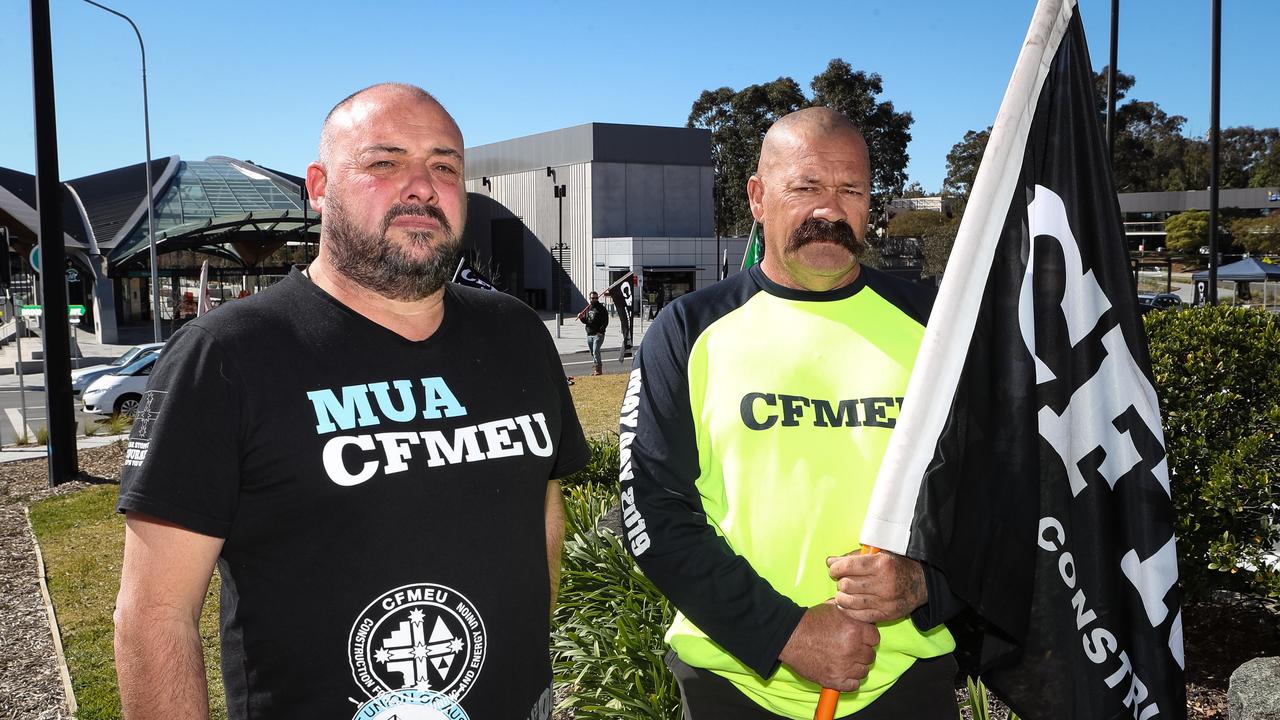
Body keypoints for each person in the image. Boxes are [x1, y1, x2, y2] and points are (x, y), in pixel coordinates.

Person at [113, 83, 590, 720]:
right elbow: (153, 615)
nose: (422, 186)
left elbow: (543, 508)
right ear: (318, 186)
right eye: (384, 162)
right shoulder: (227, 356)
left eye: (444, 166)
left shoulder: (517, 334)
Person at [620, 107, 961, 719]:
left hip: (906, 678)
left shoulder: (939, 325)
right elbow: (651, 509)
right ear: (757, 196)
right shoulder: (688, 329)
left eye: (850, 190)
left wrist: (927, 585)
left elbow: (999, 487)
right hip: (734, 678)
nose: (828, 210)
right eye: (805, 187)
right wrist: (784, 632)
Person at [576, 290, 609, 375]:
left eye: (596, 298)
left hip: (598, 334)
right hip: (589, 334)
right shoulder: (588, 308)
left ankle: (598, 370)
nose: (595, 299)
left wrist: (601, 331)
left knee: (595, 351)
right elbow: (587, 321)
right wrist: (581, 318)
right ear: (590, 298)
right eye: (593, 298)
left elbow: (605, 321)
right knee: (592, 352)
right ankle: (595, 369)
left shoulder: (601, 308)